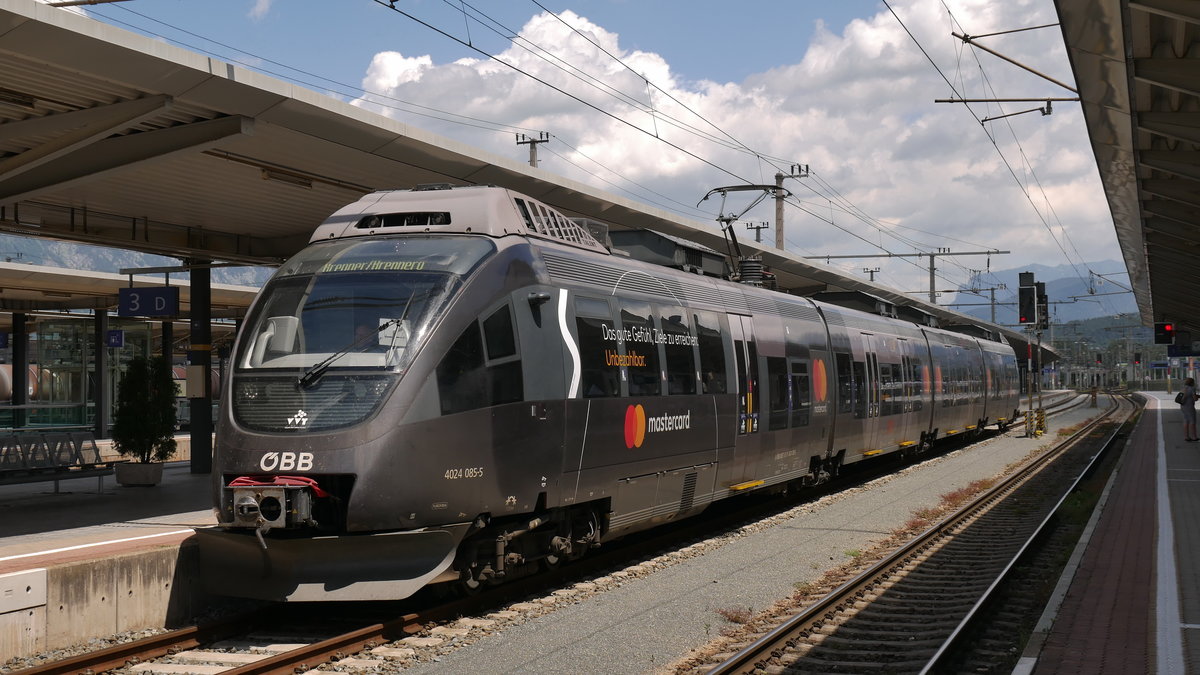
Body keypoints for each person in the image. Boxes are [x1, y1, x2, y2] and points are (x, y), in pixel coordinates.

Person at [1183, 377, 1198, 442]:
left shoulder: (1184, 388)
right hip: (1190, 407)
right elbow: (1195, 398)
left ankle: (1186, 437)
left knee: (1186, 421)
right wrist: (1197, 397)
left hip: (1183, 406)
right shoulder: (1192, 388)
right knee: (1192, 422)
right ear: (1192, 383)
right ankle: (1194, 437)